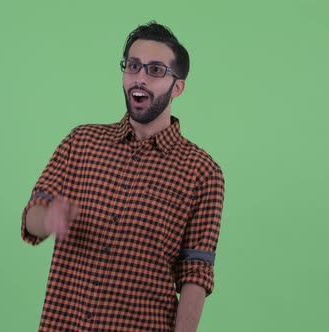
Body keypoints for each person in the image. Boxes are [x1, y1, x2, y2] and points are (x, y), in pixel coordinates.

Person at [22, 21, 225, 332]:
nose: (140, 77)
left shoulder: (203, 172)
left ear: (178, 87)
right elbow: (32, 219)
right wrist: (48, 219)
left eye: (156, 70)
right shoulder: (81, 143)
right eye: (133, 66)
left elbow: (195, 272)